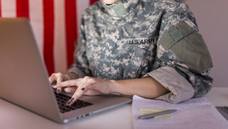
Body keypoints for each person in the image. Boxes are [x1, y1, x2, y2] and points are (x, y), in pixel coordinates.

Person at [49, 0, 213, 106]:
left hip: (150, 116)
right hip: (98, 113)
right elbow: (83, 67)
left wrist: (111, 86)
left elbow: (192, 77)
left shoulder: (169, 9)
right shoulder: (90, 15)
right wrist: (69, 77)